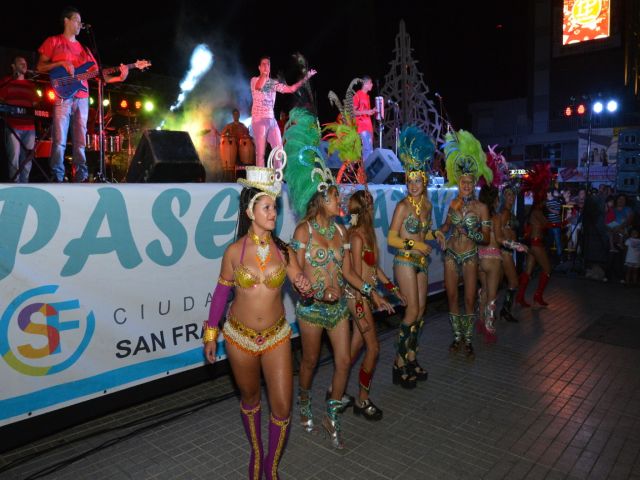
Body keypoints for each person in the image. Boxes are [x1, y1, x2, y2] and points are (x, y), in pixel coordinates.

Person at [284, 107, 393, 449]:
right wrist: (304, 285)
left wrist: (373, 293)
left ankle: (332, 416)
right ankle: (303, 400)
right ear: (320, 200)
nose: (339, 198)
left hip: (339, 311)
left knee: (344, 360)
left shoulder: (342, 229)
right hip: (313, 311)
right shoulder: (304, 230)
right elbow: (295, 268)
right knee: (312, 361)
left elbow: (347, 272)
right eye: (334, 196)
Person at [203, 148, 313, 480]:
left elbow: (298, 281)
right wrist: (211, 334)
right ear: (251, 211)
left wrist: (305, 285)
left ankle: (271, 466)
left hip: (278, 337)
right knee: (250, 399)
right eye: (267, 207)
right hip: (239, 338)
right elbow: (222, 293)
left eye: (276, 207)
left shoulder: (285, 250)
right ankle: (257, 451)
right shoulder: (234, 252)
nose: (274, 213)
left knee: (282, 407)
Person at [37, 6, 128, 182]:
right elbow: (40, 67)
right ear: (67, 21)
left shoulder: (85, 49)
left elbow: (100, 75)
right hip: (62, 94)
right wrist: (61, 63)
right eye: (77, 21)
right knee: (59, 138)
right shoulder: (53, 41)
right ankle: (57, 176)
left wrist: (120, 77)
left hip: (82, 98)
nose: (80, 25)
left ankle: (81, 176)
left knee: (80, 140)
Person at [346, 189, 406, 418]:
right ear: (366, 211)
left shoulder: (367, 234)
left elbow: (374, 269)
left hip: (366, 297)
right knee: (374, 348)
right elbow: (357, 277)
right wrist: (373, 296)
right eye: (370, 207)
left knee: (354, 349)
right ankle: (362, 400)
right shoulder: (357, 237)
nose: (373, 210)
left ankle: (335, 390)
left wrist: (392, 289)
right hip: (359, 300)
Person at [436, 130, 493, 359]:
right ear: (458, 183)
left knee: (469, 298)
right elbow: (446, 226)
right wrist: (440, 233)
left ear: (474, 183)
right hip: (451, 254)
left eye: (469, 182)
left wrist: (469, 230)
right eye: (463, 182)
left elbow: (486, 238)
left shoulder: (482, 208)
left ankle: (468, 340)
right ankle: (457, 337)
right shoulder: (453, 204)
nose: (466, 185)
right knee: (451, 297)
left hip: (470, 255)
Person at [387, 126, 435, 388]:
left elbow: (425, 233)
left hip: (421, 262)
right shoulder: (402, 206)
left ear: (424, 181)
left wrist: (435, 234)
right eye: (409, 180)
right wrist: (414, 244)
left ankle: (412, 357)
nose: (413, 185)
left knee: (421, 312)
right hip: (405, 260)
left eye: (417, 180)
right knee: (412, 311)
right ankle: (398, 361)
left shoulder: (427, 205)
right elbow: (391, 238)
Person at [477, 186, 527, 342]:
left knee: (484, 291)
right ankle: (489, 330)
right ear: (496, 200)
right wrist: (517, 246)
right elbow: (499, 239)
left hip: (480, 258)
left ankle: (480, 320)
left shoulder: (478, 216)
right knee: (492, 296)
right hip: (493, 259)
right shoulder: (497, 217)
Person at [251, 56, 316, 167]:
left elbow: (291, 89)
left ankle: (278, 178)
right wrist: (264, 74)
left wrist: (306, 78)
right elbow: (259, 87)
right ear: (259, 67)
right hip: (259, 119)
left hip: (271, 120)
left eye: (268, 64)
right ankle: (260, 180)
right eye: (264, 64)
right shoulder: (254, 80)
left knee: (279, 150)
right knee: (260, 152)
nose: (266, 66)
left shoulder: (273, 84)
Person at [516, 164, 553, 307]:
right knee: (547, 269)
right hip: (536, 244)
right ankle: (537, 296)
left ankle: (520, 297)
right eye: (544, 200)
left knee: (528, 271)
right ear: (541, 200)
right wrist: (566, 221)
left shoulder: (533, 212)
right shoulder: (537, 212)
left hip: (532, 243)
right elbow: (548, 225)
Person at [0, 56, 38, 183]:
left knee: (27, 160)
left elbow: (36, 105)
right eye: (20, 63)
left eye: (25, 63)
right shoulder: (6, 82)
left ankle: (25, 185)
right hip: (12, 126)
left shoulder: (31, 85)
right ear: (13, 66)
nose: (24, 65)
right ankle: (15, 186)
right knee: (14, 159)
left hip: (29, 127)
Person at [498, 185, 522, 322]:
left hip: (506, 250)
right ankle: (504, 310)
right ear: (503, 197)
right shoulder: (505, 212)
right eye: (508, 195)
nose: (511, 198)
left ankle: (499, 310)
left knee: (497, 283)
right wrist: (509, 240)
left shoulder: (507, 211)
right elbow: (499, 229)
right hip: (505, 251)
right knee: (513, 281)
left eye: (513, 195)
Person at [352, 76, 375, 164]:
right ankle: (365, 173)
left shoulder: (367, 96)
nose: (372, 85)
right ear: (365, 84)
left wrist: (372, 111)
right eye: (370, 83)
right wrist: (366, 111)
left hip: (368, 126)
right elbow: (353, 112)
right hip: (362, 126)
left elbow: (366, 112)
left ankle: (367, 172)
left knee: (370, 150)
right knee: (367, 149)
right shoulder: (358, 94)